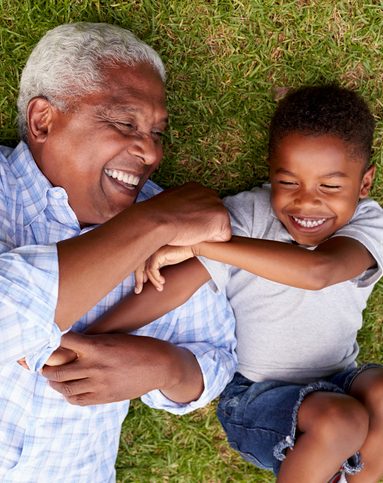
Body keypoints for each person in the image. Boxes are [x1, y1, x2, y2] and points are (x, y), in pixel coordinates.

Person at [70, 86, 383, 483]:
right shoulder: (248, 214)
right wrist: (93, 336)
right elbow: (176, 287)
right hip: (257, 397)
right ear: (271, 172)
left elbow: (318, 272)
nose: (306, 203)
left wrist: (205, 244)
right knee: (344, 420)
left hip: (341, 377)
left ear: (364, 183)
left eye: (330, 187)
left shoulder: (368, 223)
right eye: (289, 183)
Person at [0, 22, 237, 482]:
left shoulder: (169, 229)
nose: (149, 152)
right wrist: (151, 223)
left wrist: (162, 367)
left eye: (157, 133)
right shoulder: (163, 219)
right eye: (125, 123)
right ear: (43, 120)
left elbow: (215, 357)